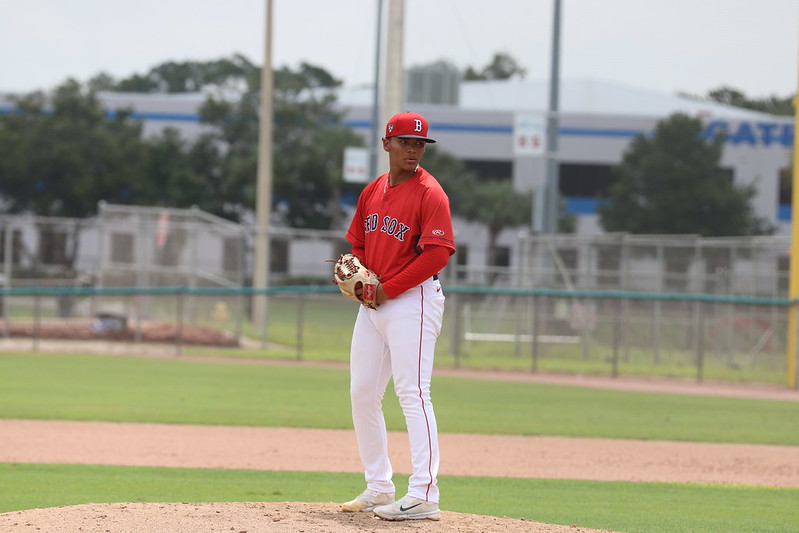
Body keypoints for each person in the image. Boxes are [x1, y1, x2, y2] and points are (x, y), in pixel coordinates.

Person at [339, 112, 455, 521]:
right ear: (387, 144)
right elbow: (359, 243)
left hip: (413, 301)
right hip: (374, 303)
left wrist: (387, 288)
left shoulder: (430, 193)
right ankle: (379, 485)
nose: (413, 149)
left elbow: (437, 254)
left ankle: (424, 492)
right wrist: (360, 275)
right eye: (405, 142)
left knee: (413, 392)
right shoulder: (372, 191)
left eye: (419, 144)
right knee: (362, 392)